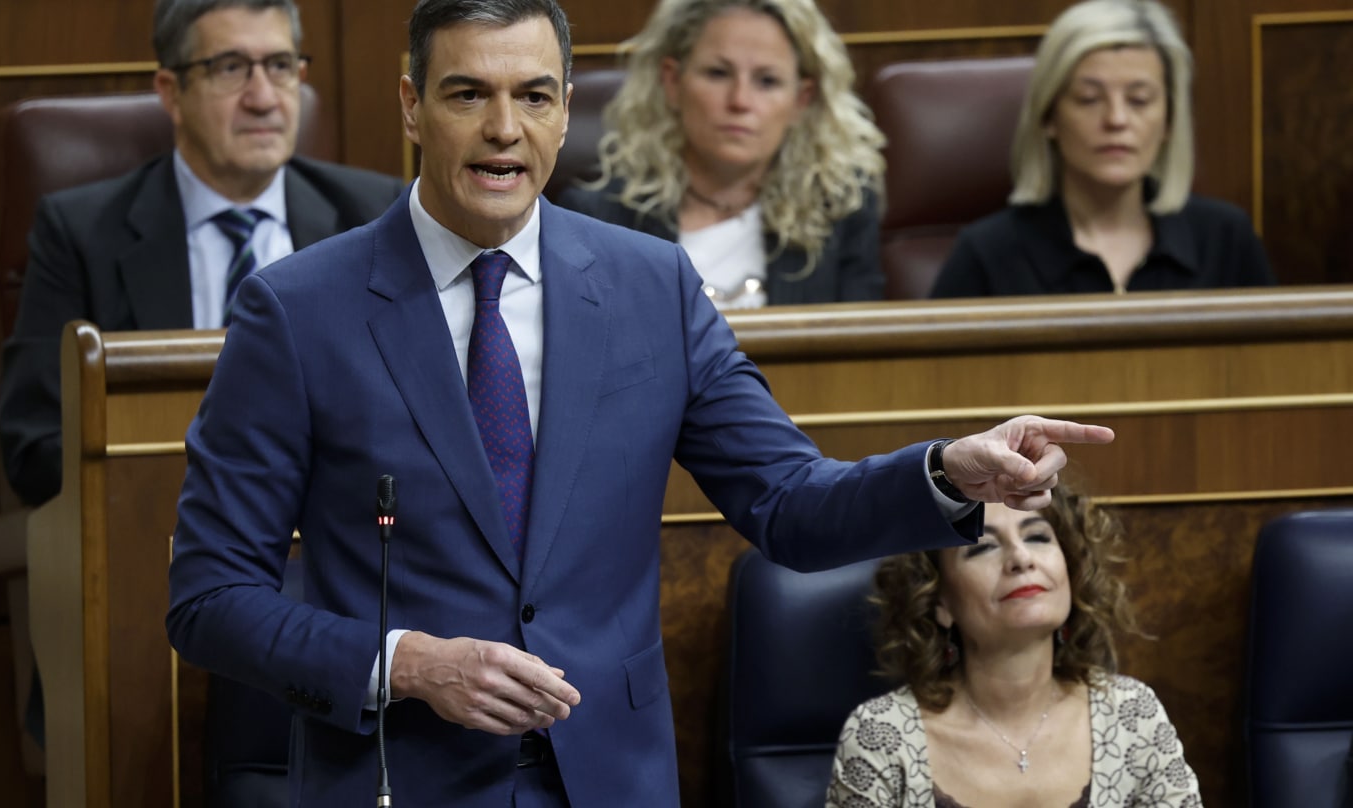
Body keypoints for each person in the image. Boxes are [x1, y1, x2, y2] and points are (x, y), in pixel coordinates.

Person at [164, 0, 1114, 804]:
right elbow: (210, 595)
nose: (505, 129)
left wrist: (943, 471)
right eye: (468, 94)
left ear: (568, 110)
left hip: (609, 779)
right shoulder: (296, 310)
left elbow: (787, 503)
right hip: (397, 773)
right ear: (412, 106)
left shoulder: (650, 285)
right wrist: (407, 662)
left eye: (534, 96)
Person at [0, 0, 405, 508]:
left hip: (336, 540)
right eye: (230, 68)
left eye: (280, 66)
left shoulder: (376, 216)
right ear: (171, 93)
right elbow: (34, 445)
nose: (263, 98)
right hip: (157, 534)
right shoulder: (80, 235)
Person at [827, 484, 1202, 807]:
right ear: (939, 601)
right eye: (983, 547)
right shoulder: (880, 734)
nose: (1021, 559)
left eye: (1037, 537)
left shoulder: (1132, 716)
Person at [930, 0, 1275, 299]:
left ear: (1169, 121)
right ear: (1049, 116)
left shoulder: (1226, 239)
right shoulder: (988, 253)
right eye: (1088, 99)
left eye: (1139, 100)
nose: (1116, 119)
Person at [557, 0, 885, 309]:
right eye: (718, 73)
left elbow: (863, 359)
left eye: (767, 81)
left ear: (801, 99)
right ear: (672, 81)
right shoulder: (594, 218)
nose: (740, 100)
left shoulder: (841, 210)